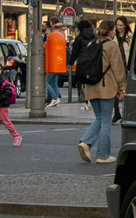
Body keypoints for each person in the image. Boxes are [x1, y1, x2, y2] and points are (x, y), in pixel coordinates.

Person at [79, 17, 126, 162]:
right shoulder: (111, 45)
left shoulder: (92, 43)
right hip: (106, 87)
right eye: (114, 30)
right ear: (111, 31)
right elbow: (118, 68)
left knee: (99, 118)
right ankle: (102, 154)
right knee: (106, 120)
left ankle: (86, 143)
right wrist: (123, 86)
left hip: (91, 86)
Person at [43, 21, 69, 107]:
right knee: (54, 82)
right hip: (58, 62)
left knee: (45, 81)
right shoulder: (60, 35)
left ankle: (54, 98)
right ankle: (57, 98)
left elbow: (47, 48)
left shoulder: (52, 36)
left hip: (51, 62)